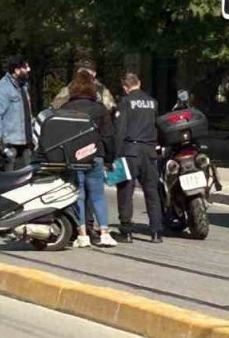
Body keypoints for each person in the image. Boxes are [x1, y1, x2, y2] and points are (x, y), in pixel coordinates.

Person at [60, 71, 117, 248]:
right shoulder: (100, 109)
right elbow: (108, 136)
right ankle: (105, 233)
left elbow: (60, 136)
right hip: (95, 155)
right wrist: (109, 158)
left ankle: (82, 234)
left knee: (79, 195)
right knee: (98, 196)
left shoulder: (65, 109)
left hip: (75, 158)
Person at [114, 73, 164, 243]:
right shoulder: (152, 102)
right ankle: (156, 231)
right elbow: (156, 126)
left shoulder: (125, 101)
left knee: (125, 190)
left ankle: (126, 231)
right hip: (149, 151)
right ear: (139, 83)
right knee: (152, 191)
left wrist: (116, 156)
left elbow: (120, 130)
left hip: (130, 151)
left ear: (125, 87)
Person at [0, 55, 34, 170]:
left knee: (27, 179)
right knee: (10, 181)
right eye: (25, 67)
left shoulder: (23, 86)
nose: (28, 69)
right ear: (17, 70)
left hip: (26, 143)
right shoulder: (1, 89)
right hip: (11, 145)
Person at [52, 67, 116, 111]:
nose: (83, 77)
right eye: (81, 74)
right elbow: (55, 106)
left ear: (94, 74)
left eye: (86, 74)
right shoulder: (68, 88)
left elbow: (110, 109)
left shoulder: (102, 90)